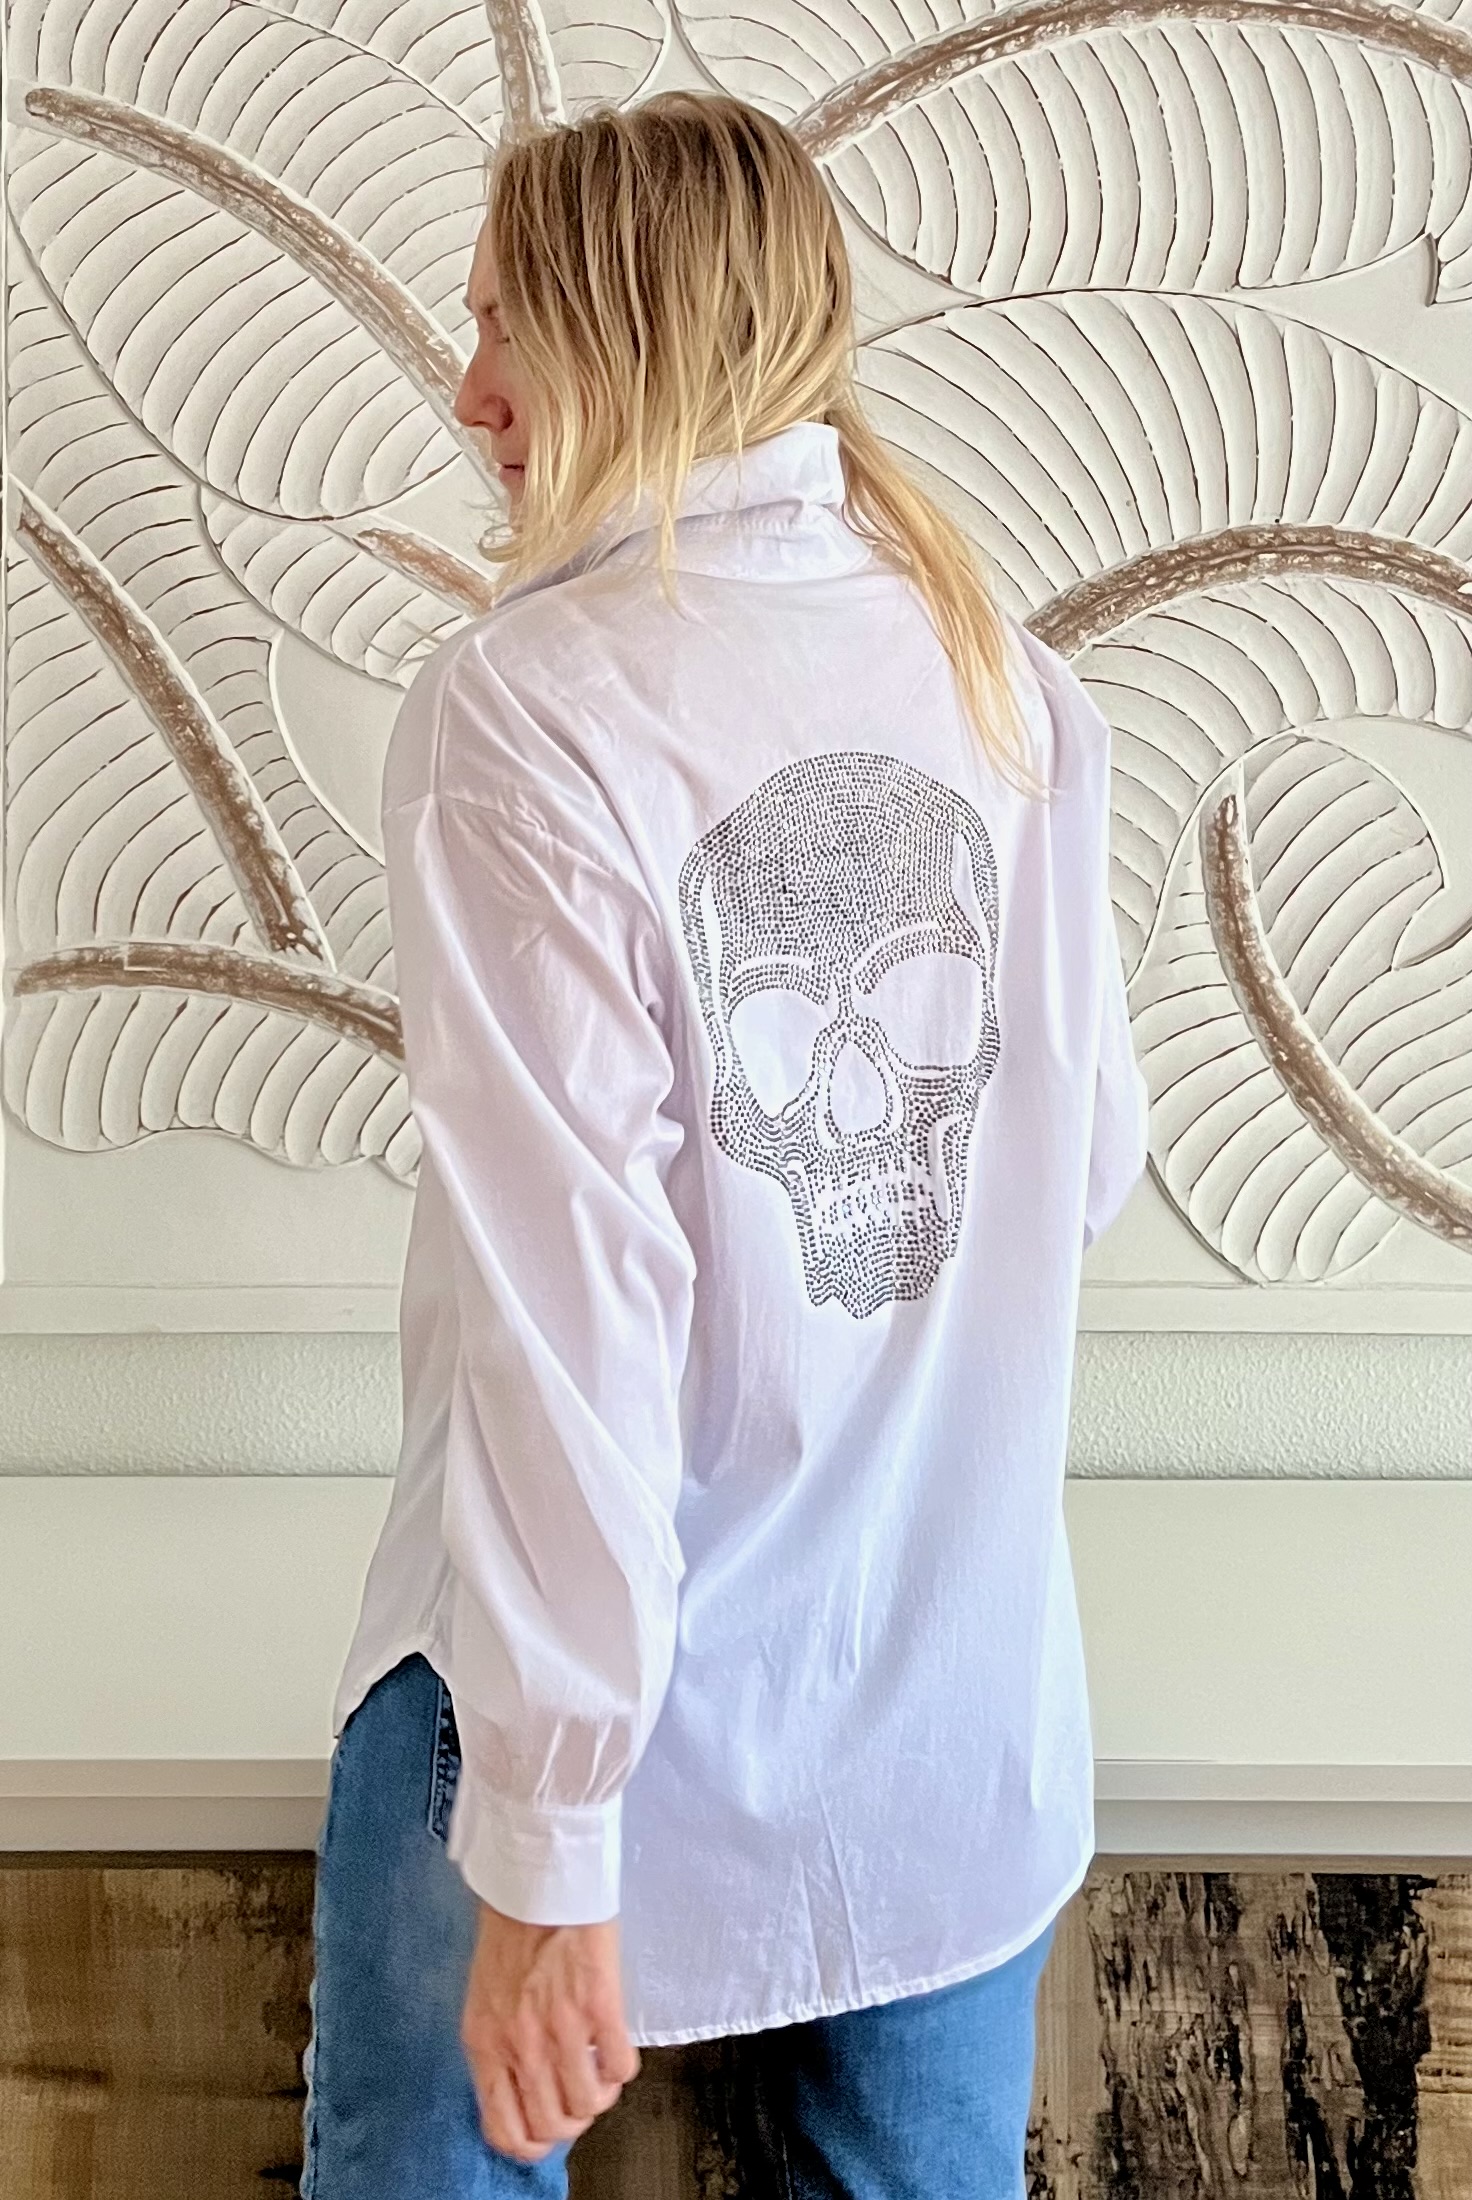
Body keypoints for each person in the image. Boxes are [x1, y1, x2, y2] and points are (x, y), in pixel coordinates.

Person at [301, 89, 1150, 2200]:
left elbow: (572, 1311)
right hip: (946, 1699)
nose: (470, 394)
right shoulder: (1004, 674)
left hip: (571, 1712)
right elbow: (1083, 1166)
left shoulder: (529, 708)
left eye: (505, 323)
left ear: (637, 331)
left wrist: (547, 1826)